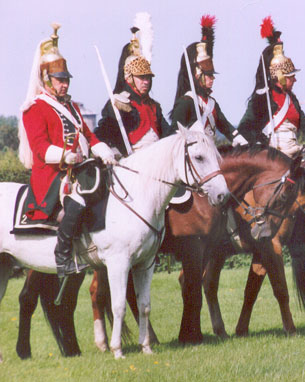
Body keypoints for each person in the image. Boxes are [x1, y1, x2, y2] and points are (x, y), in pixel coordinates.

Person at [19, 23, 116, 278]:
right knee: (79, 198)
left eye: (65, 80)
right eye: (59, 80)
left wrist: (102, 149)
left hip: (77, 168)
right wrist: (64, 155)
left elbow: (88, 133)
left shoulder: (71, 106)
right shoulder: (34, 108)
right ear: (47, 80)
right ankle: (62, 256)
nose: (64, 85)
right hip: (51, 174)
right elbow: (39, 148)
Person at [237, 16, 305, 158]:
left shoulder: (292, 99)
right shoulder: (262, 98)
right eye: (291, 77)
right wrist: (260, 144)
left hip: (295, 151)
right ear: (280, 77)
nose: (295, 80)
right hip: (273, 157)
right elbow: (244, 128)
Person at [96, 13, 172, 157]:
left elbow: (167, 134)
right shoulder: (118, 102)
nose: (146, 82)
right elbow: (104, 134)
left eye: (148, 78)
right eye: (141, 78)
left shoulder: (154, 106)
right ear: (130, 78)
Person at [170, 15, 246, 145]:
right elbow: (173, 138)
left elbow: (226, 127)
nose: (212, 78)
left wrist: (240, 139)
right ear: (197, 75)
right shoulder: (186, 103)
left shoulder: (212, 104)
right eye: (208, 75)